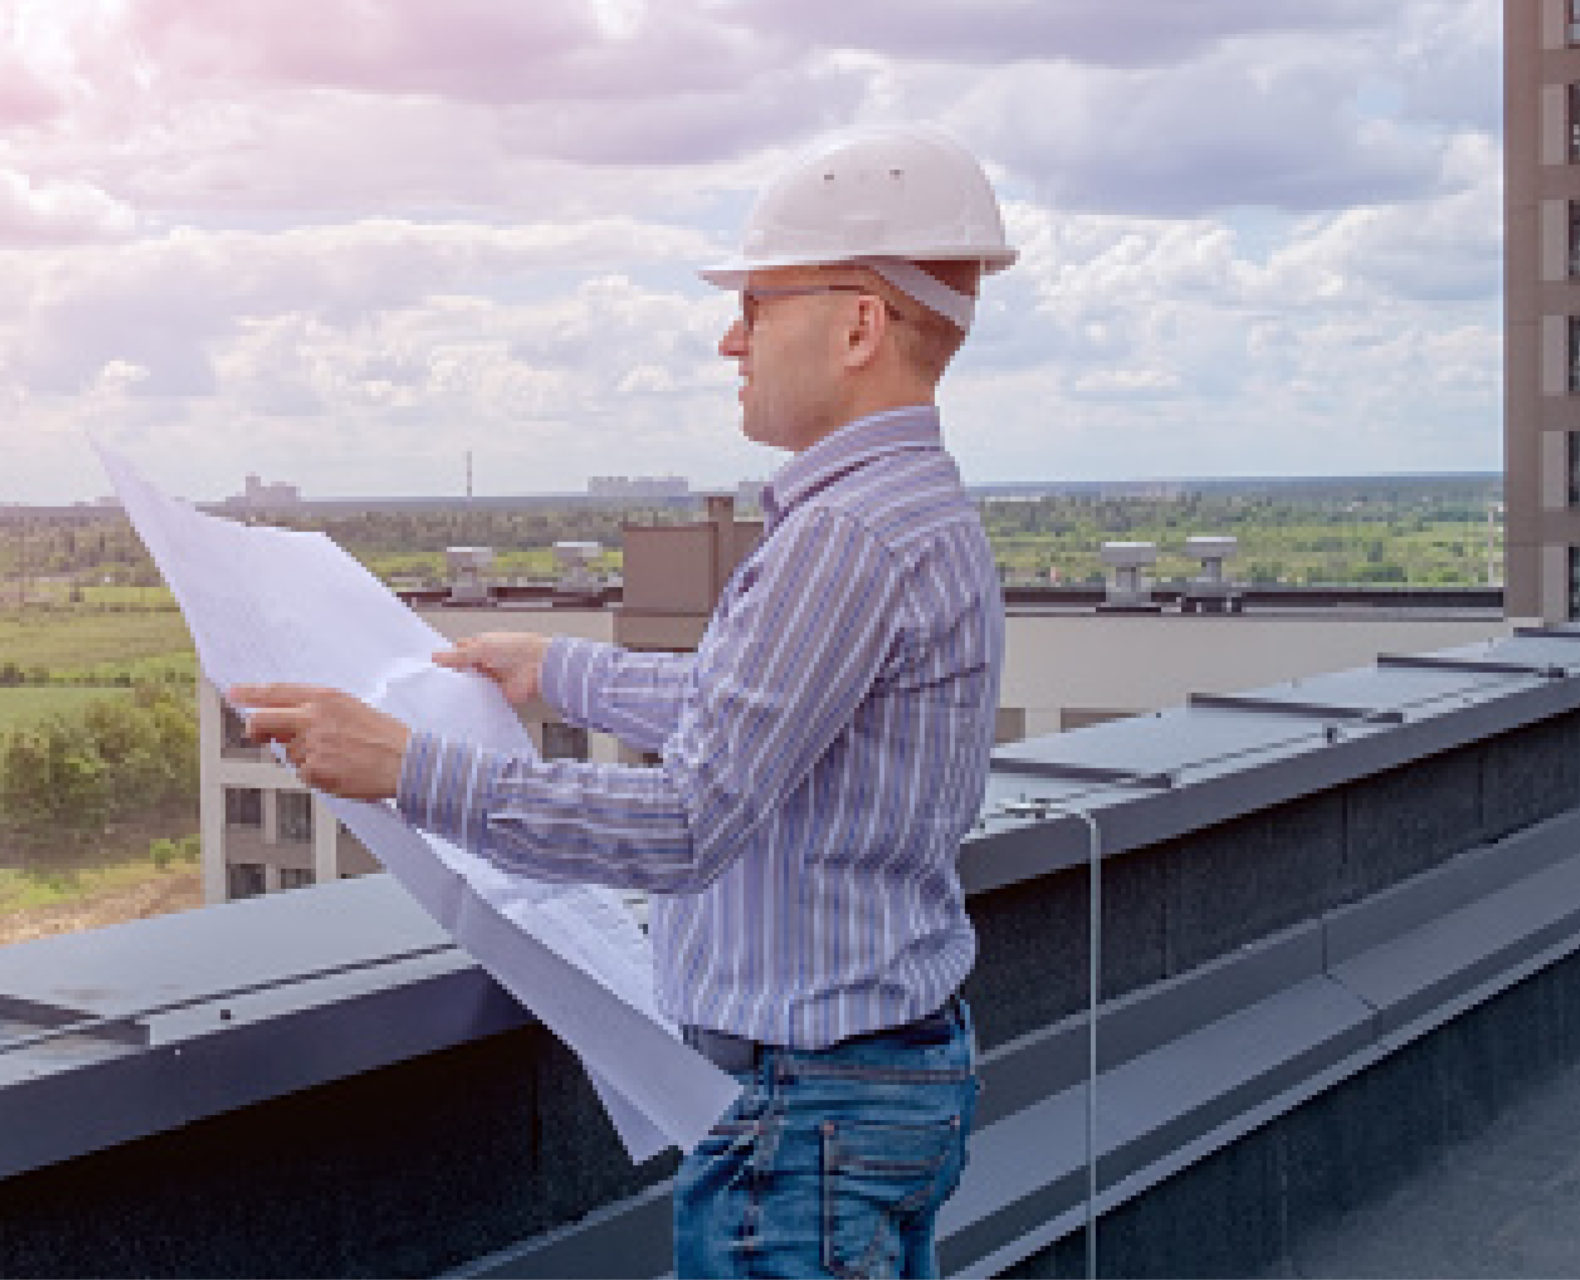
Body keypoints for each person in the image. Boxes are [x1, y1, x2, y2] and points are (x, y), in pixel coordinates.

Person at [231, 124, 1012, 1279]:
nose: (726, 340)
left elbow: (690, 821)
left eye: (756, 303)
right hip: (875, 1083)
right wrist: (557, 669)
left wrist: (409, 768)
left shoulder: (841, 539)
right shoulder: (914, 509)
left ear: (858, 323)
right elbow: (761, 714)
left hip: (808, 1111)